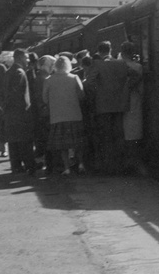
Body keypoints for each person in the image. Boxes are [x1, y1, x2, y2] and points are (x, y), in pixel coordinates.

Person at [86, 41, 140, 174]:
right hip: (119, 105)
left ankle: (107, 167)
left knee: (105, 137)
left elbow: (89, 83)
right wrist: (126, 89)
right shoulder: (120, 63)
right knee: (118, 135)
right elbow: (136, 75)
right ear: (110, 50)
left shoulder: (97, 64)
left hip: (102, 106)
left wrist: (98, 93)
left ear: (99, 51)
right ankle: (119, 166)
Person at [43, 56, 86, 175]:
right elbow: (82, 96)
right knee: (78, 144)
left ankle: (67, 168)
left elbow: (45, 99)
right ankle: (81, 164)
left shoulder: (48, 80)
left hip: (57, 117)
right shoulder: (74, 78)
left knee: (63, 146)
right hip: (74, 115)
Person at [1, 49, 36, 174]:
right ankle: (30, 165)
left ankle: (16, 166)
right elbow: (16, 93)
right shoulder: (19, 72)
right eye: (26, 58)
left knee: (13, 142)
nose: (27, 60)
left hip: (10, 113)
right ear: (20, 58)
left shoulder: (9, 71)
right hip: (20, 113)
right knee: (25, 141)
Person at [119, 42, 145, 174]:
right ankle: (134, 163)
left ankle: (124, 163)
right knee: (134, 131)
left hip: (118, 101)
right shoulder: (138, 67)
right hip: (134, 100)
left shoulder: (117, 65)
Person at [33, 55, 56, 174]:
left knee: (45, 139)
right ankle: (50, 164)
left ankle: (47, 163)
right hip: (45, 113)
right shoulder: (43, 78)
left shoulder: (40, 76)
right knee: (47, 139)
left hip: (43, 112)